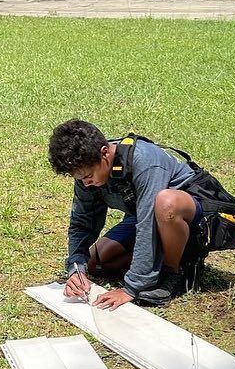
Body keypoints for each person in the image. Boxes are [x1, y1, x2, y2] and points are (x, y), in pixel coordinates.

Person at [47, 120, 213, 310]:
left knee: (166, 203)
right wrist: (76, 268)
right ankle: (156, 263)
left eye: (87, 176)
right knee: (95, 261)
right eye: (79, 179)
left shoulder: (144, 161)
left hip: (186, 218)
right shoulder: (87, 170)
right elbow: (82, 223)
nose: (85, 183)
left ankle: (174, 272)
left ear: (104, 153)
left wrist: (131, 288)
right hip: (145, 215)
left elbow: (146, 225)